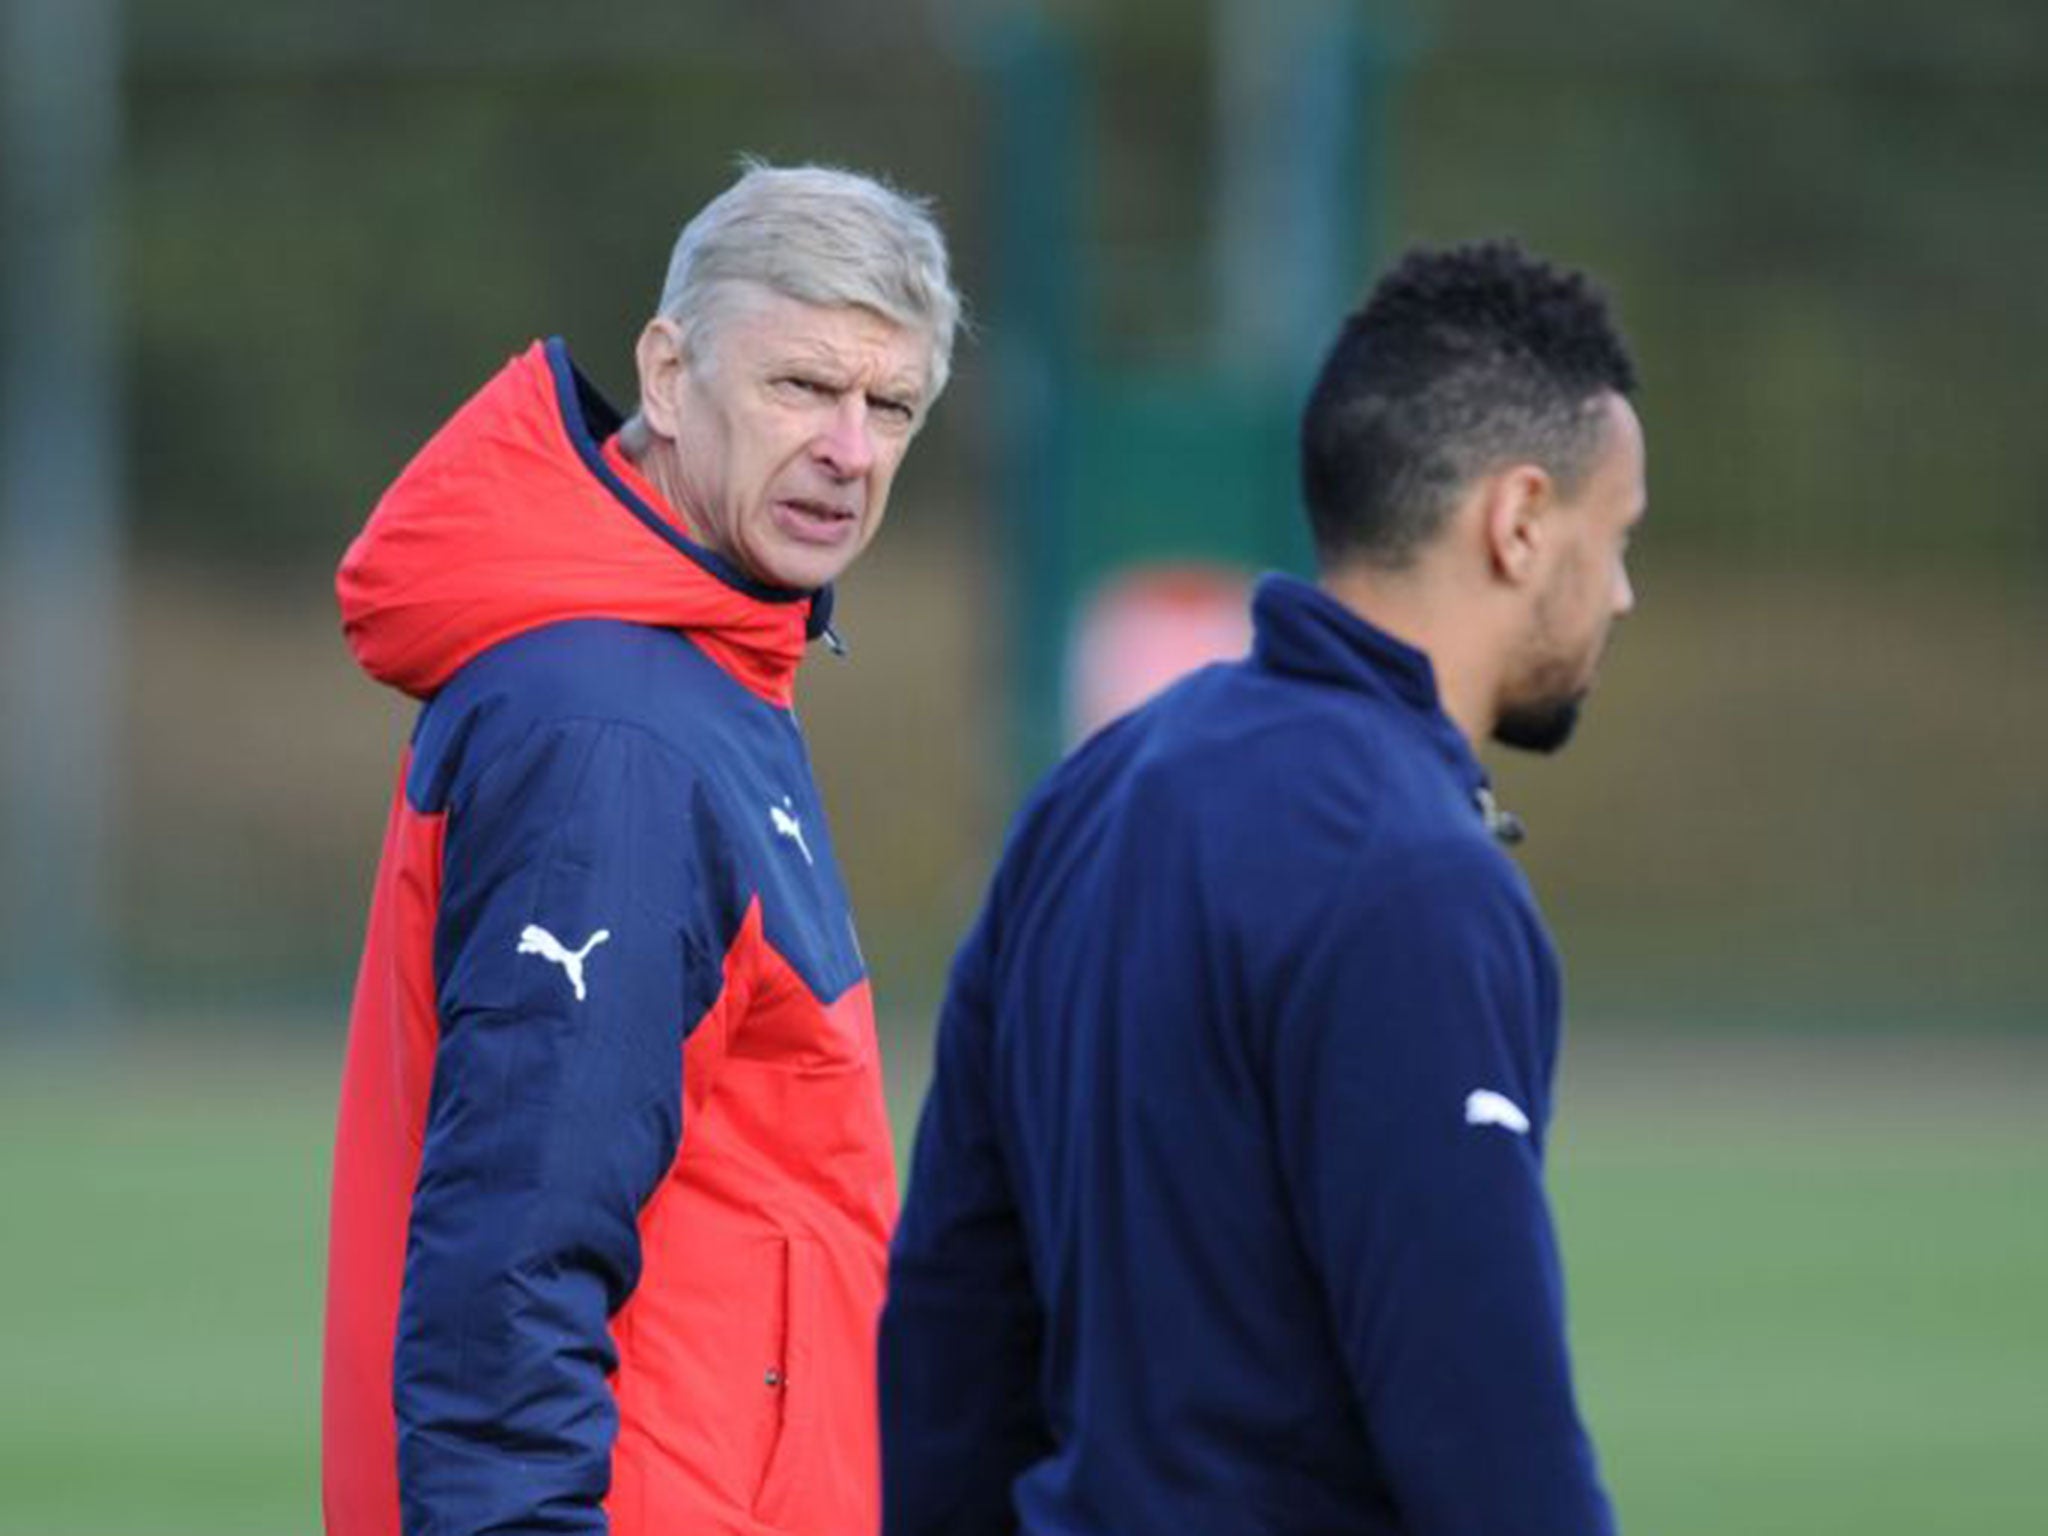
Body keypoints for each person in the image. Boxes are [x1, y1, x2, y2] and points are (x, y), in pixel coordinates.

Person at [881, 239, 1644, 1535]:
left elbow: (953, 1325)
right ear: (1518, 522)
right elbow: (1488, 1435)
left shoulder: (1092, 794)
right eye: (1615, 536)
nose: (1623, 593)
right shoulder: (1418, 877)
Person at [322, 161, 959, 1536]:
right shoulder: (616, 730)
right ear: (668, 377)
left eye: (889, 405)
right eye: (801, 388)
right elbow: (517, 1252)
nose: (851, 449)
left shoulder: (699, 677)